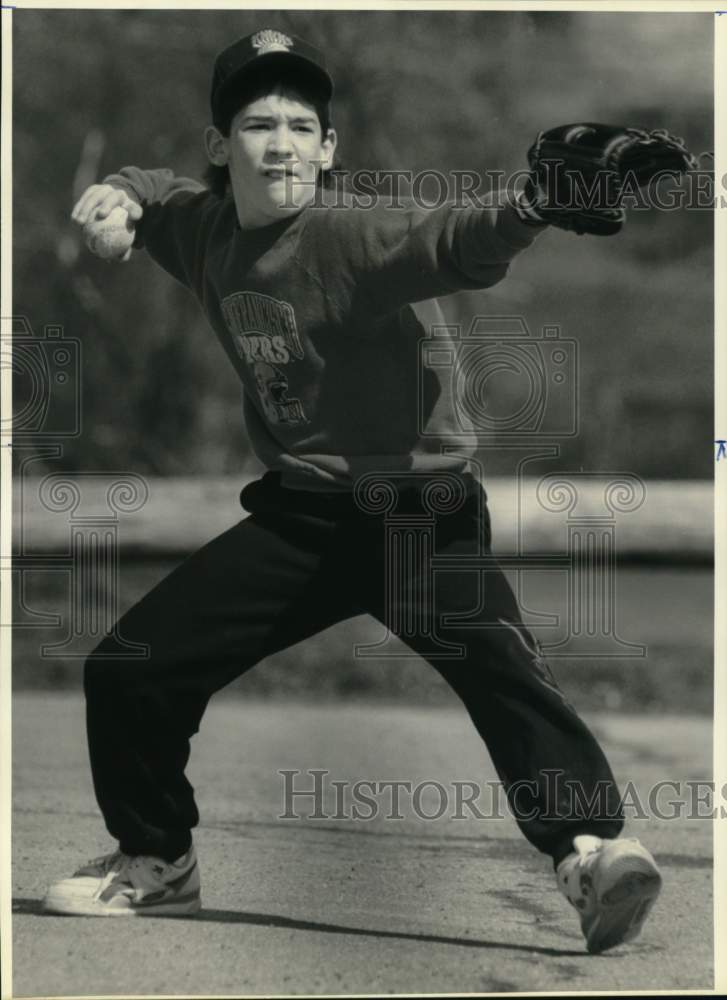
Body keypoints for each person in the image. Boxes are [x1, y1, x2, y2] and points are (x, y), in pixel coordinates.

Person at [43, 28, 662, 953]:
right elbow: (156, 189)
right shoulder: (204, 228)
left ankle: (588, 852)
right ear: (223, 147)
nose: (282, 142)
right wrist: (118, 194)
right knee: (130, 666)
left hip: (419, 513)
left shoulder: (349, 232)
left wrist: (534, 201)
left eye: (302, 125)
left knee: (503, 679)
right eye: (257, 123)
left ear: (330, 149)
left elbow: (451, 236)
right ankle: (158, 861)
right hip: (302, 516)